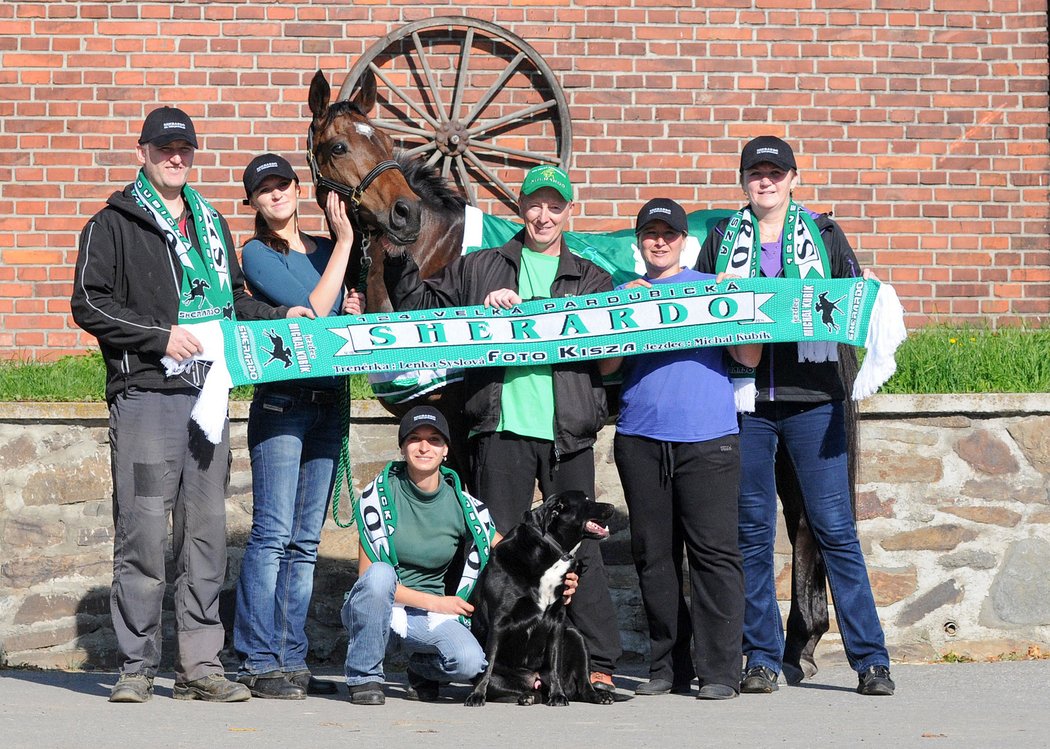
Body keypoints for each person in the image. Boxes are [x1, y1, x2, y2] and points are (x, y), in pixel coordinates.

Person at [71, 107, 313, 703]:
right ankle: (135, 665)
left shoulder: (211, 223)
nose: (176, 156)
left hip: (208, 397)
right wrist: (159, 337)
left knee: (205, 533)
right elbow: (88, 304)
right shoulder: (113, 224)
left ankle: (200, 667)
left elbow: (231, 305)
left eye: (185, 148)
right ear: (143, 152)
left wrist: (280, 315)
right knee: (146, 531)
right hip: (149, 398)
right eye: (164, 147)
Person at [382, 165, 623, 691]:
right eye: (535, 204)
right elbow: (416, 305)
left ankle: (597, 661)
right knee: (497, 556)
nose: (543, 215)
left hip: (569, 432)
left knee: (585, 549)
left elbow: (613, 346)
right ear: (521, 208)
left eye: (554, 206)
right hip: (500, 428)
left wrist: (545, 314)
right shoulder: (480, 267)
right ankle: (503, 666)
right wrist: (399, 253)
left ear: (567, 211)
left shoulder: (593, 279)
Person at [695, 136, 895, 696]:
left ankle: (871, 658)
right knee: (752, 532)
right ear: (743, 181)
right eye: (755, 173)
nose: (765, 181)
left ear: (792, 178)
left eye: (775, 172)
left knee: (835, 529)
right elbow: (702, 311)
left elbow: (855, 299)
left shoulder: (825, 234)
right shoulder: (719, 239)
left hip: (815, 400)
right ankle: (761, 656)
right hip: (748, 401)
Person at [600, 199, 761, 700]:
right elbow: (606, 370)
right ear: (640, 241)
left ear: (685, 242)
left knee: (715, 556)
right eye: (651, 232)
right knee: (654, 558)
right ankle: (666, 667)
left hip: (709, 438)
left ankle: (719, 672)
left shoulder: (712, 289)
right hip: (640, 438)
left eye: (669, 233)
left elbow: (749, 356)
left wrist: (738, 307)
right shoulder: (622, 294)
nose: (660, 240)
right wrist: (619, 315)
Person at [232, 154, 365, 699]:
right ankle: (257, 658)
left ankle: (290, 657)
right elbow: (312, 309)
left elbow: (341, 314)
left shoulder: (326, 249)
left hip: (330, 399)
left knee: (306, 542)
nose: (275, 194)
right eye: (263, 190)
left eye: (282, 184)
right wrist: (347, 245)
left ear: (295, 188)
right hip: (283, 404)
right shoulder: (257, 253)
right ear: (255, 203)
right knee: (271, 535)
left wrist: (354, 309)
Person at [341, 406, 499, 705]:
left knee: (469, 663)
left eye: (435, 439)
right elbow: (368, 579)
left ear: (446, 451)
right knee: (381, 574)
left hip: (426, 617)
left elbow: (507, 547)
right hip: (375, 609)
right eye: (415, 438)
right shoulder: (377, 495)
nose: (424, 446)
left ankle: (420, 669)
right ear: (402, 447)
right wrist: (437, 602)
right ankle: (364, 677)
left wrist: (559, 572)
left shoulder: (463, 504)